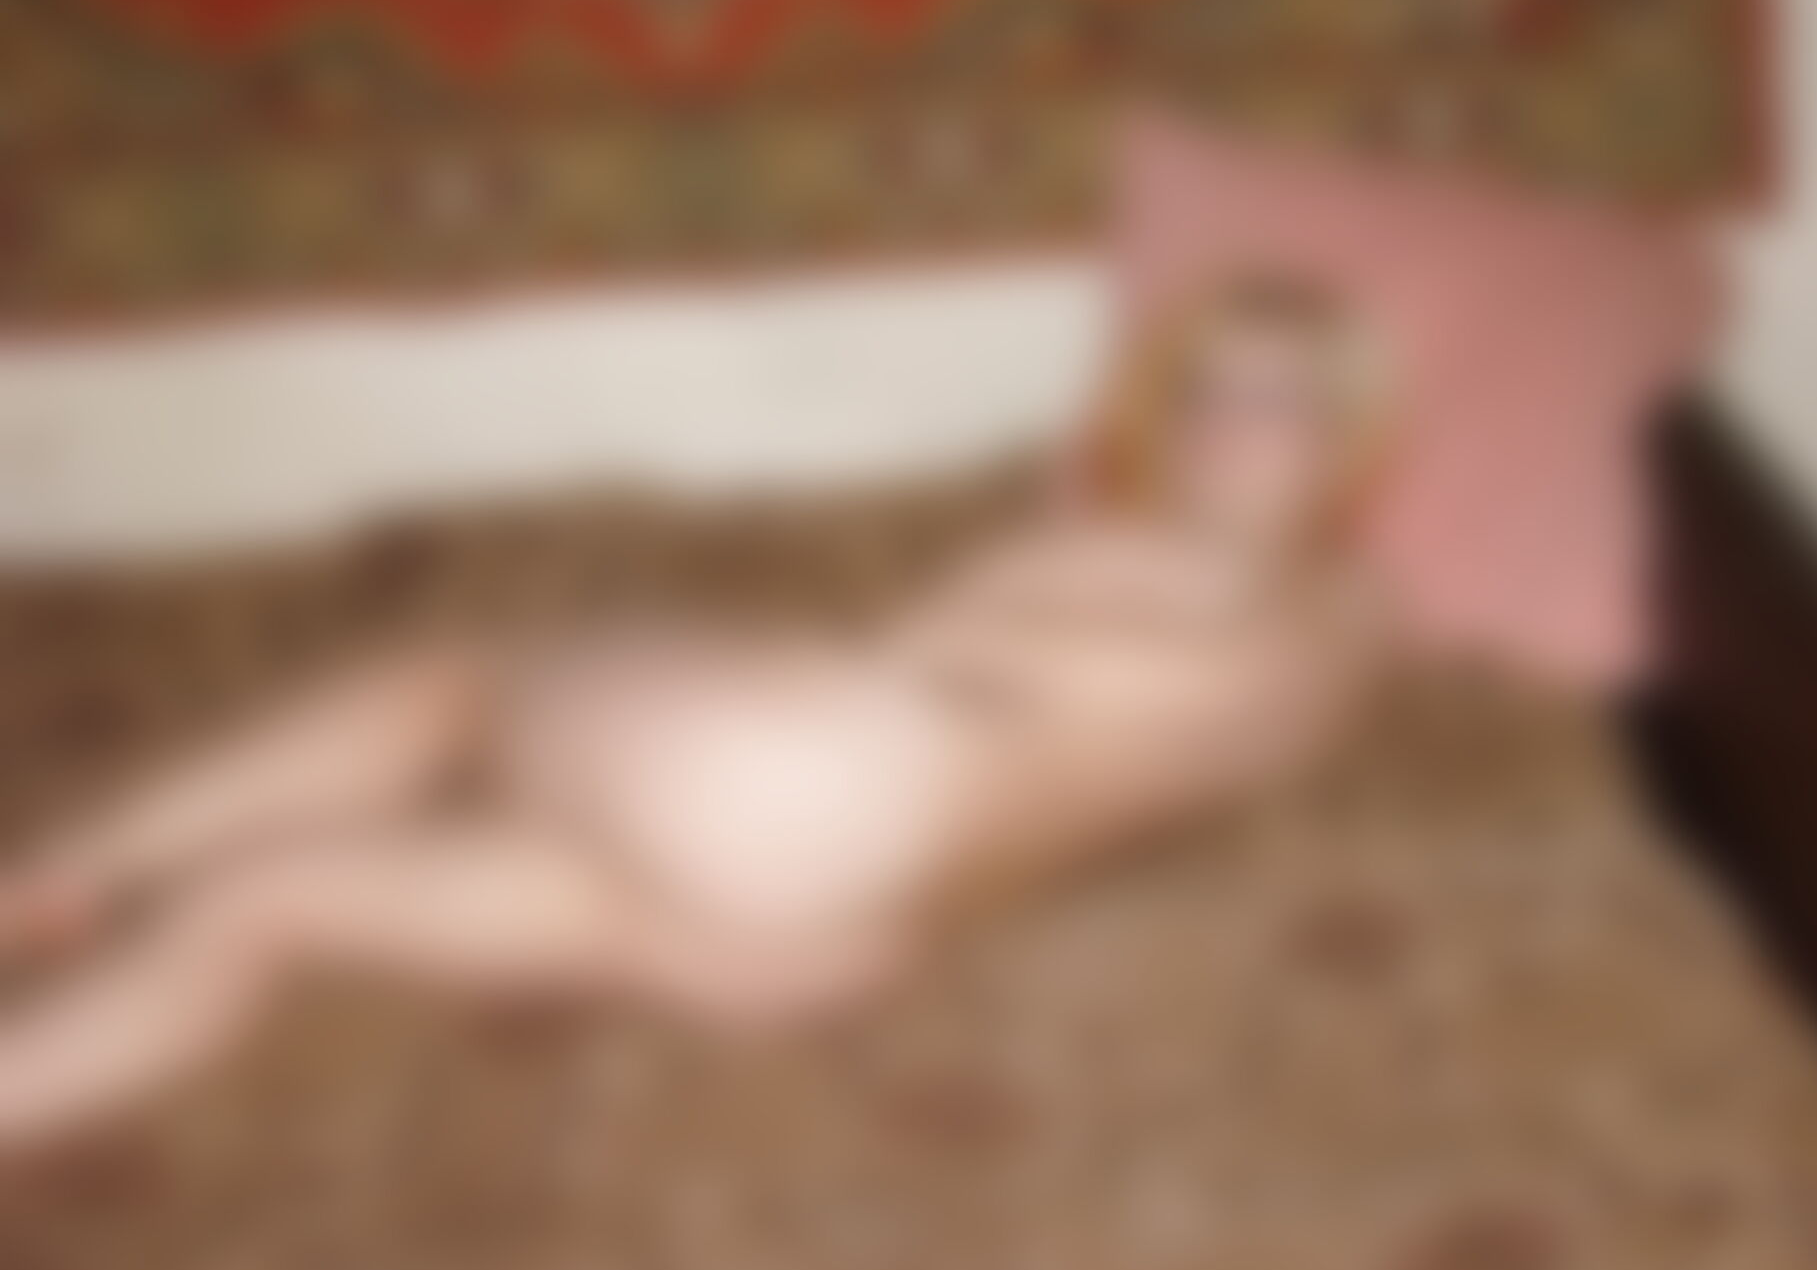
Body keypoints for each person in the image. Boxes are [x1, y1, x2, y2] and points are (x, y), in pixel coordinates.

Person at [0, 273, 1401, 1150]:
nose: (1228, 423)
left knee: (451, 678)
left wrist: (979, 638)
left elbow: (978, 662)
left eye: (1278, 398)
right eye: (1207, 390)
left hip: (815, 793)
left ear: (1348, 437)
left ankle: (55, 872)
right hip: (818, 939)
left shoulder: (1193, 575)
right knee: (261, 899)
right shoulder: (1340, 631)